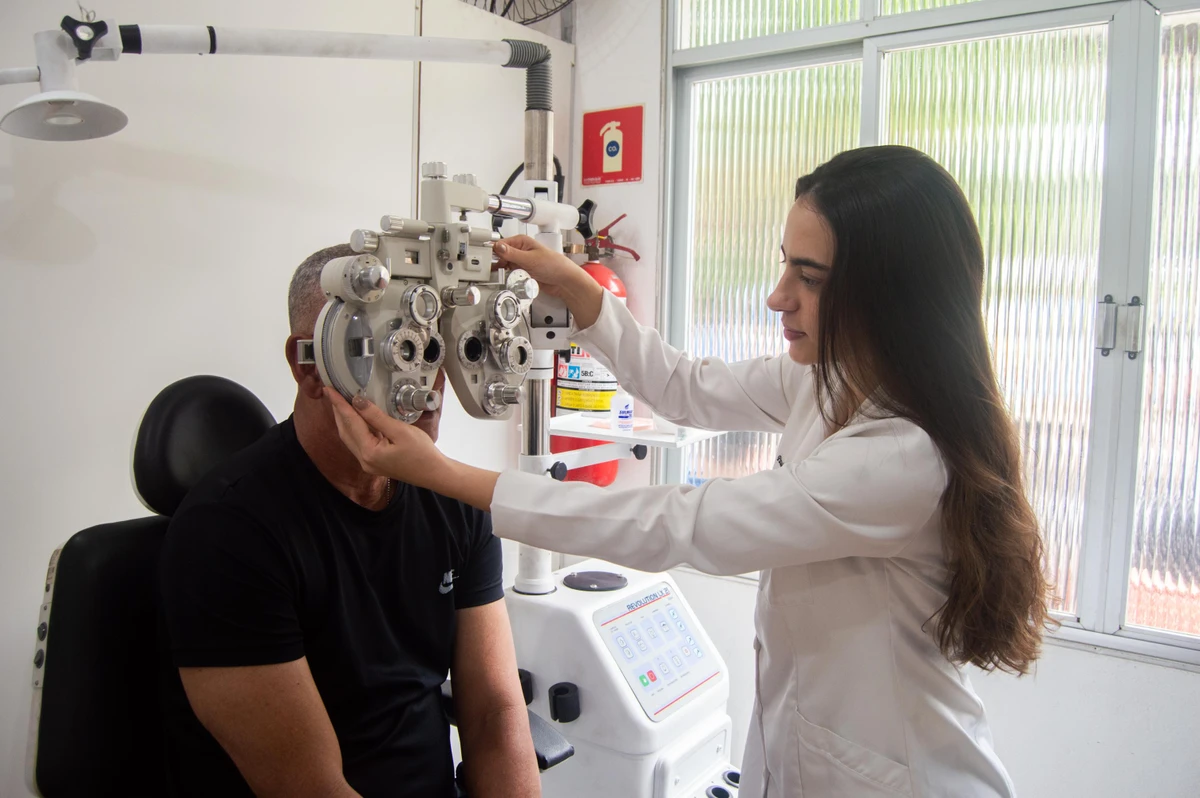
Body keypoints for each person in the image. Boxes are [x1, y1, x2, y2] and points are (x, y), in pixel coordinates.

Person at [326, 146, 1056, 797]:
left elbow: (681, 523)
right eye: (784, 263)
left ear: (887, 296)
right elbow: (686, 387)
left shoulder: (903, 458)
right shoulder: (830, 381)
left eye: (808, 277)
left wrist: (442, 474)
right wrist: (580, 291)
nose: (777, 296)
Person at [157, 244, 539, 798]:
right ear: (309, 366)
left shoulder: (454, 503)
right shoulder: (225, 537)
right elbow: (309, 786)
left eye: (429, 347)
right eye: (387, 350)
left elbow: (495, 712)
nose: (424, 382)